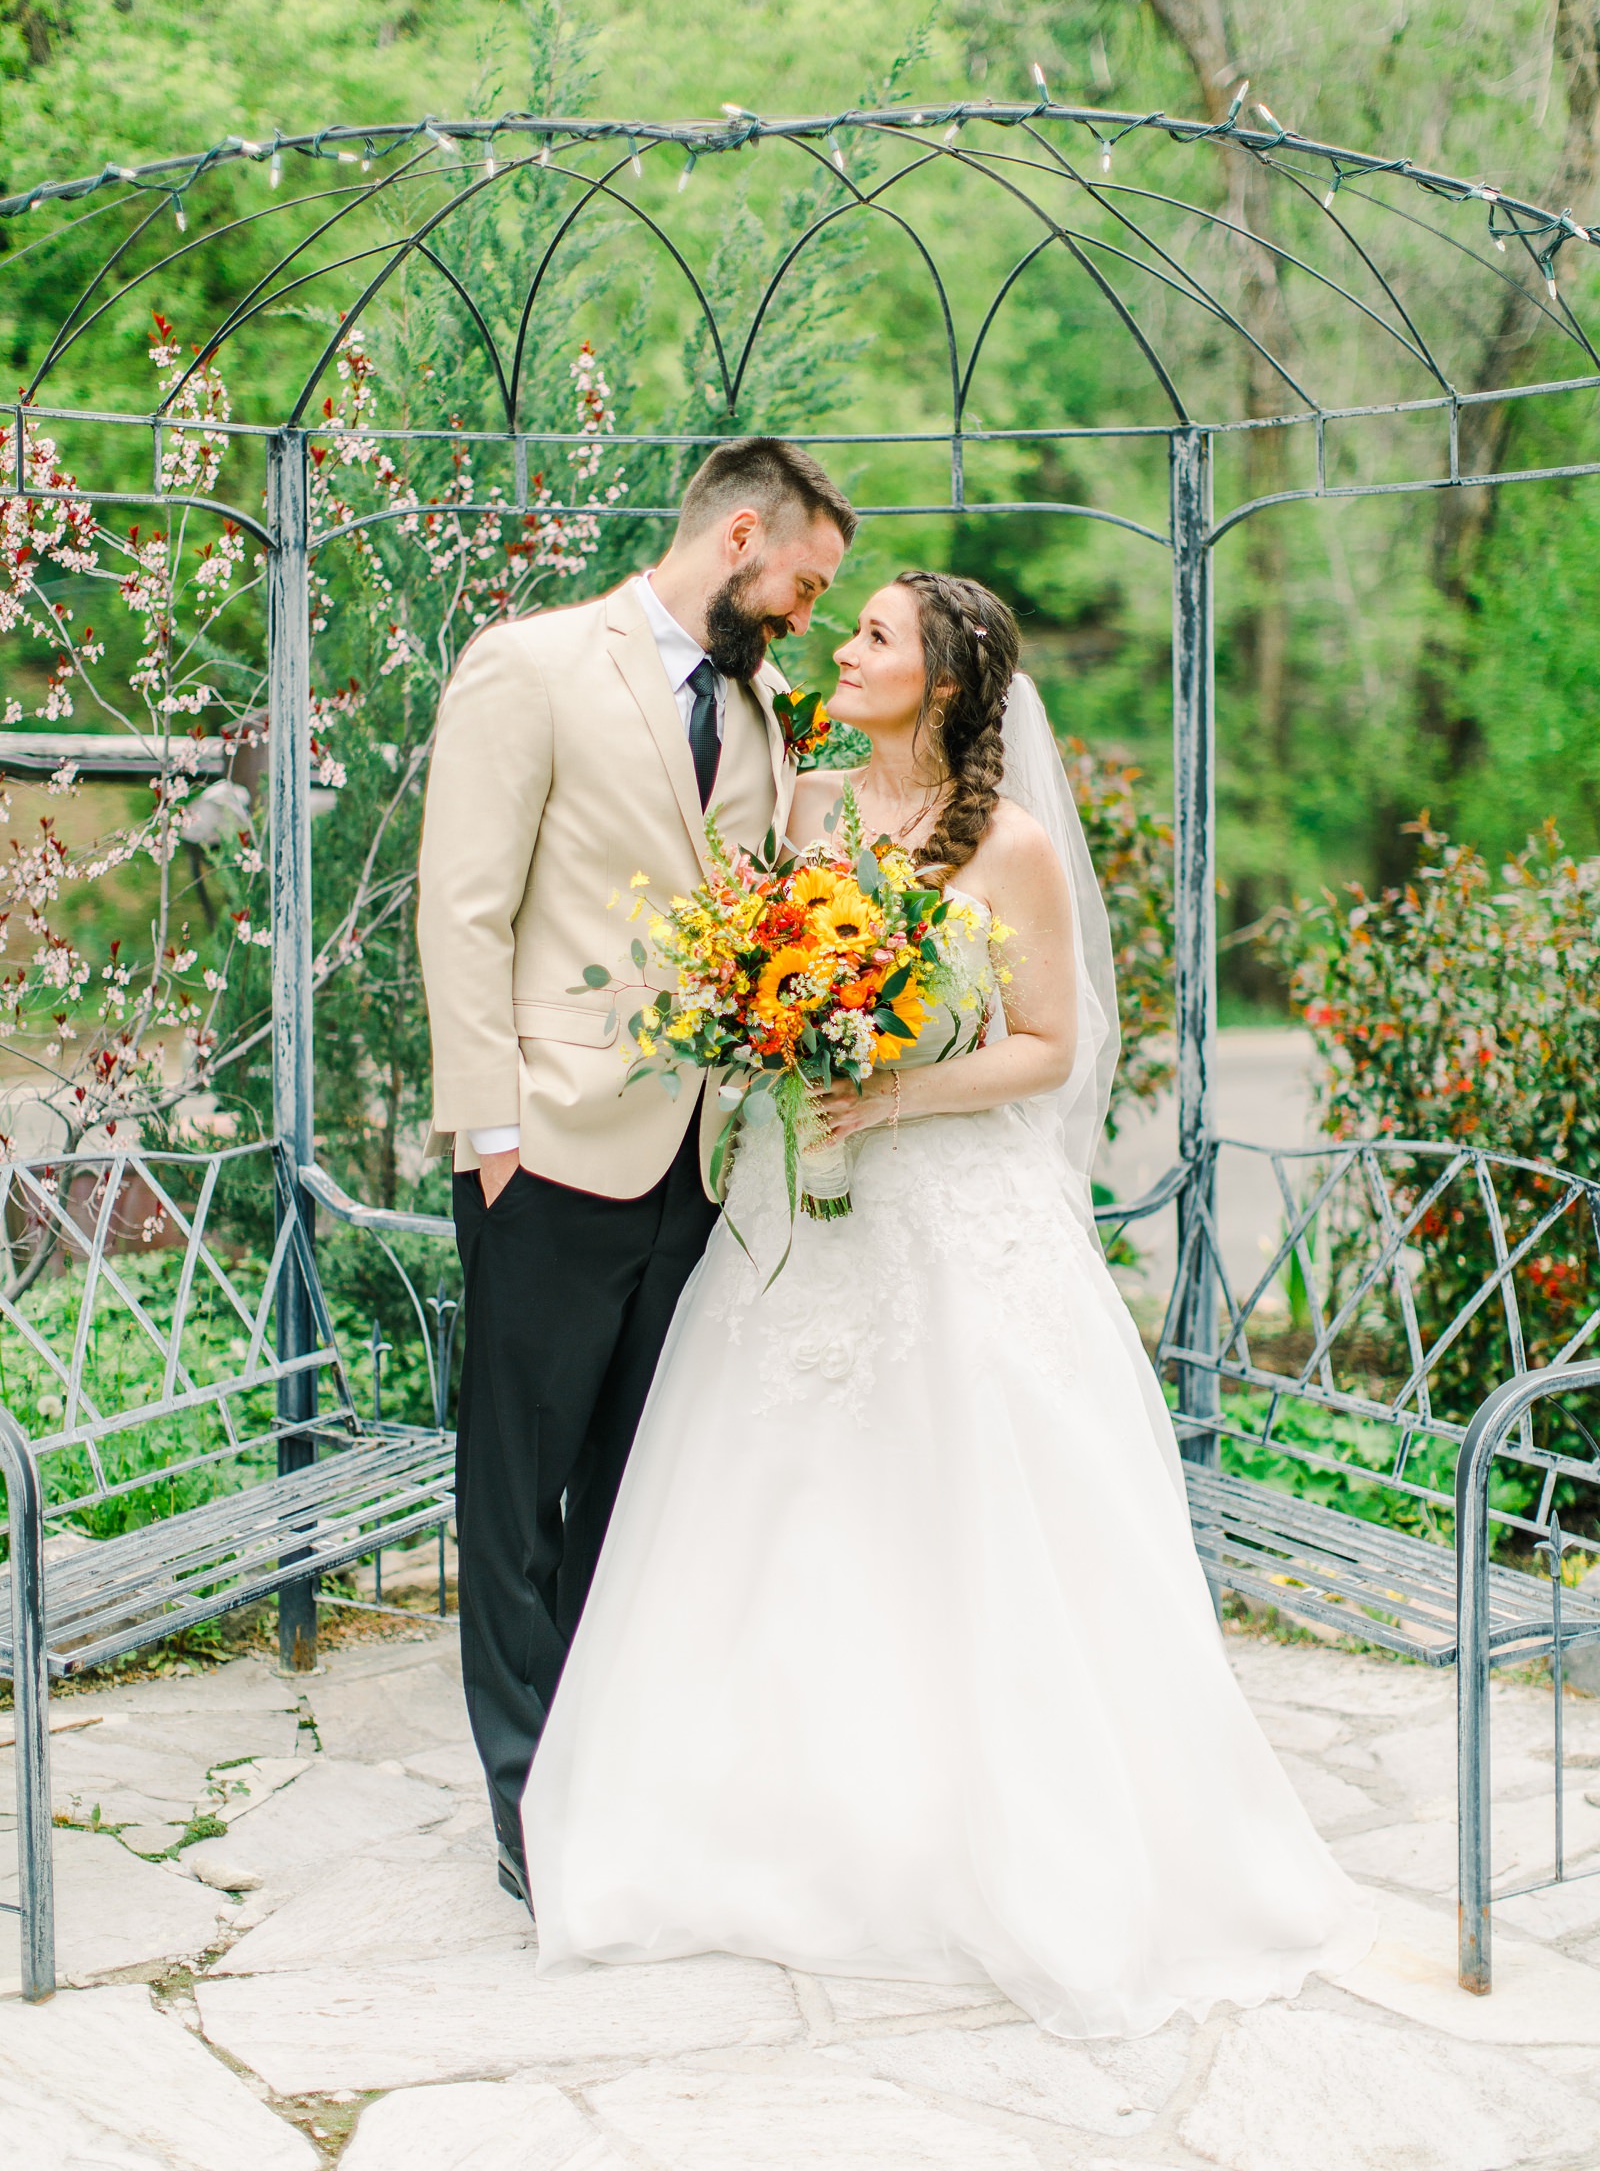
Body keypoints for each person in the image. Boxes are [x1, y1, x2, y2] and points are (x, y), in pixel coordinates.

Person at [522, 570, 1375, 2039]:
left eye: (873, 637)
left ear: (948, 679)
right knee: (770, 1505)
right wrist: (769, 1033)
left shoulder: (1017, 850)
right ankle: (772, 1827)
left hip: (951, 1221)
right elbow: (751, 972)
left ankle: (996, 1841)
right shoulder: (805, 811)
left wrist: (898, 1086)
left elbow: (1048, 1046)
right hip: (803, 1220)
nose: (841, 649)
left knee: (970, 1506)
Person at [415, 436, 856, 1911]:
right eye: (802, 582)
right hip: (546, 1147)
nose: (803, 614)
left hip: (699, 1161)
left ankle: (614, 1769)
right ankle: (526, 1804)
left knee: (634, 1490)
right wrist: (492, 1134)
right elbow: (463, 910)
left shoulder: (762, 704)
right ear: (740, 536)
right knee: (517, 1489)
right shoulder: (531, 666)